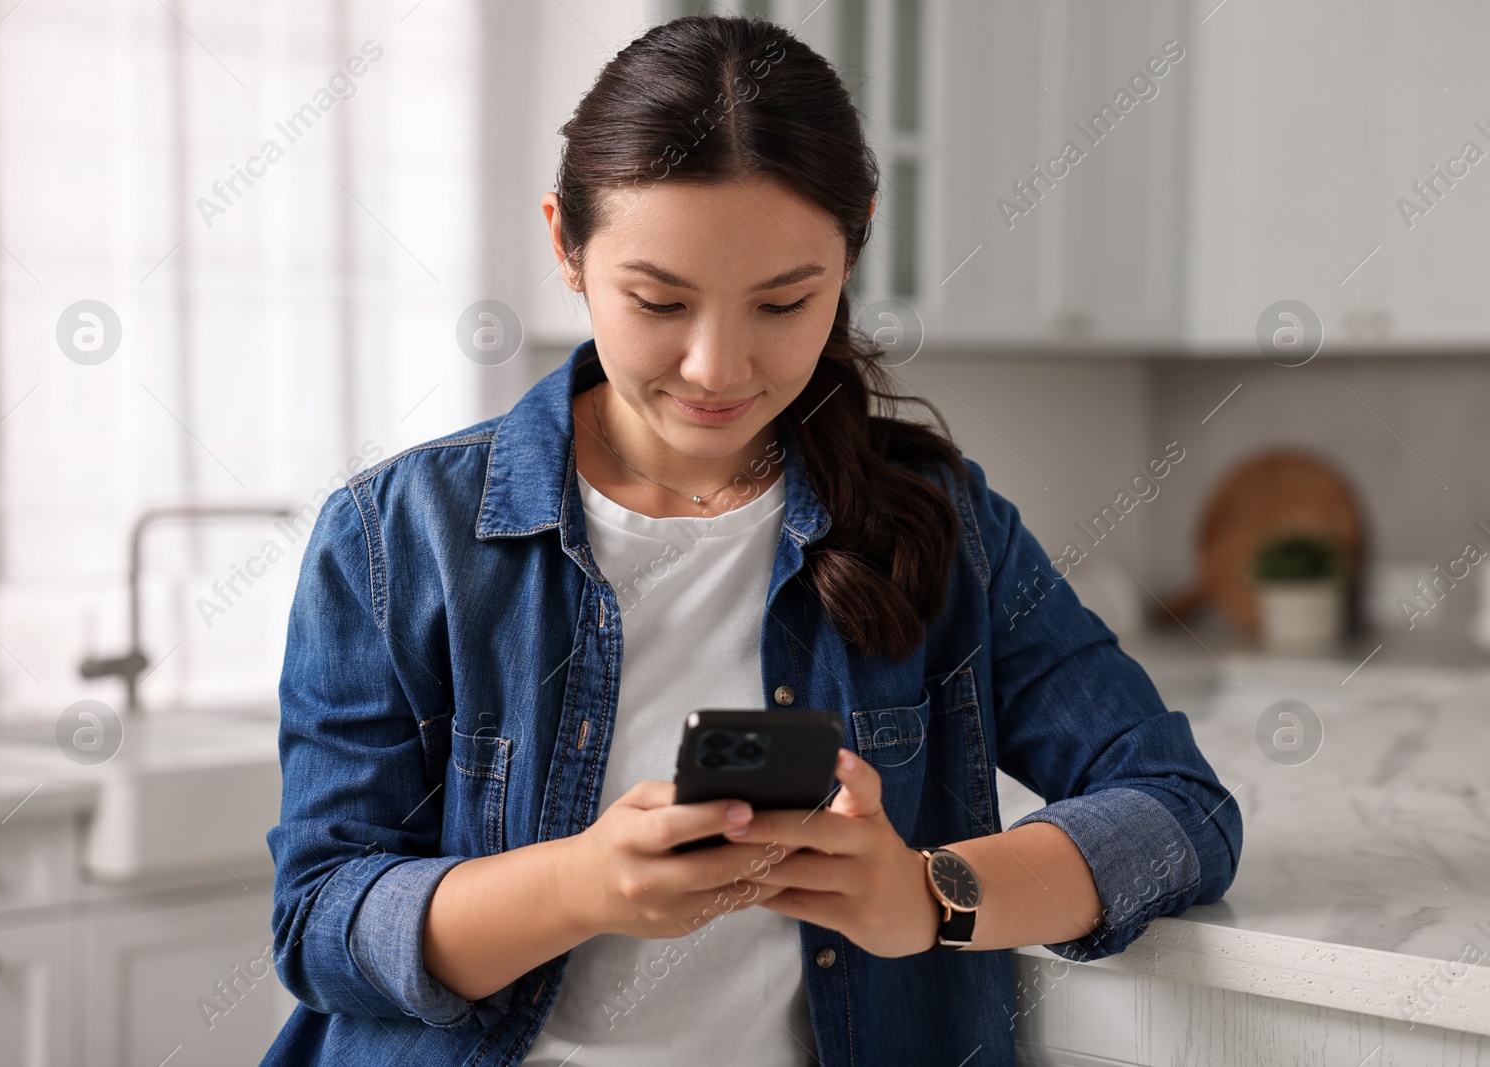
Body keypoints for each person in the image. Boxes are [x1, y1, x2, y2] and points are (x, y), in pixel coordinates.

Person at [262, 14, 1241, 1067]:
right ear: (563, 243)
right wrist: (580, 883)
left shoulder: (940, 523)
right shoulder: (397, 534)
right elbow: (319, 918)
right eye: (657, 300)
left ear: (854, 242)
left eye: (783, 301)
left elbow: (1178, 808)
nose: (715, 367)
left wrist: (924, 894)